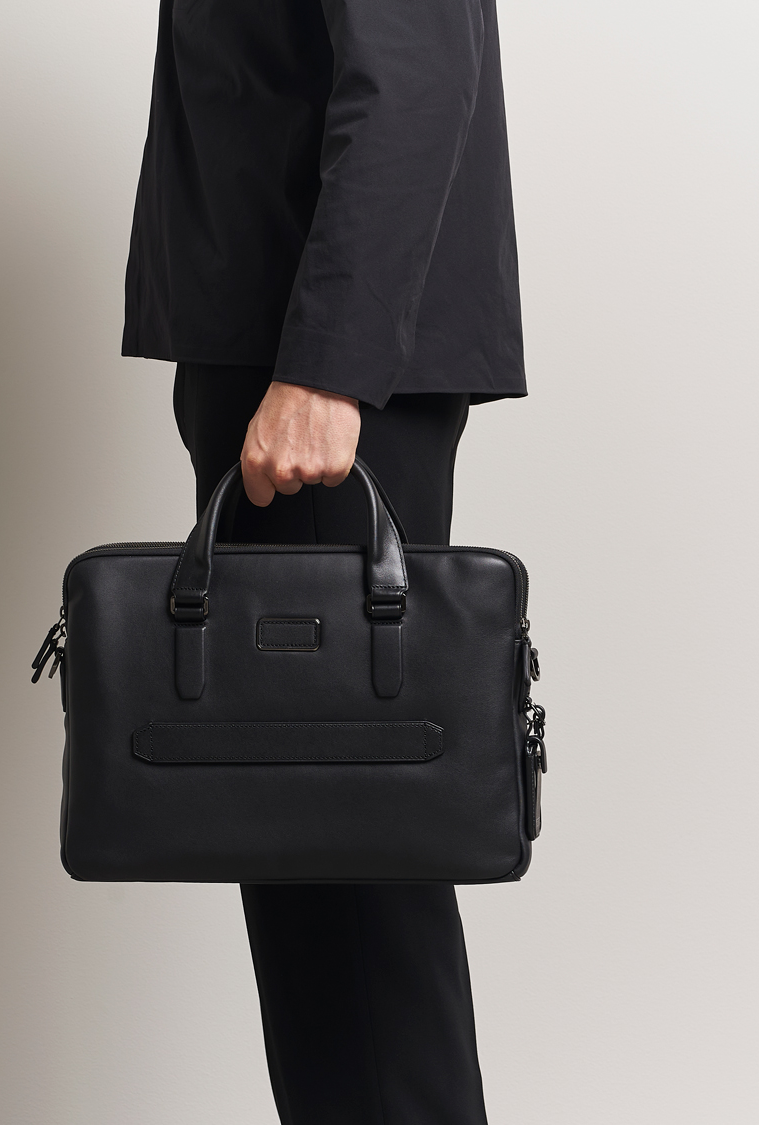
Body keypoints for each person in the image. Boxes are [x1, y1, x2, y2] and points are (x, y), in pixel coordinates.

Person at [122, 2, 526, 1121]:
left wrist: (327, 371)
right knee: (306, 863)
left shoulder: (320, 379)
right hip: (270, 344)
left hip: (318, 371)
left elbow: (414, 72)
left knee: (353, 873)